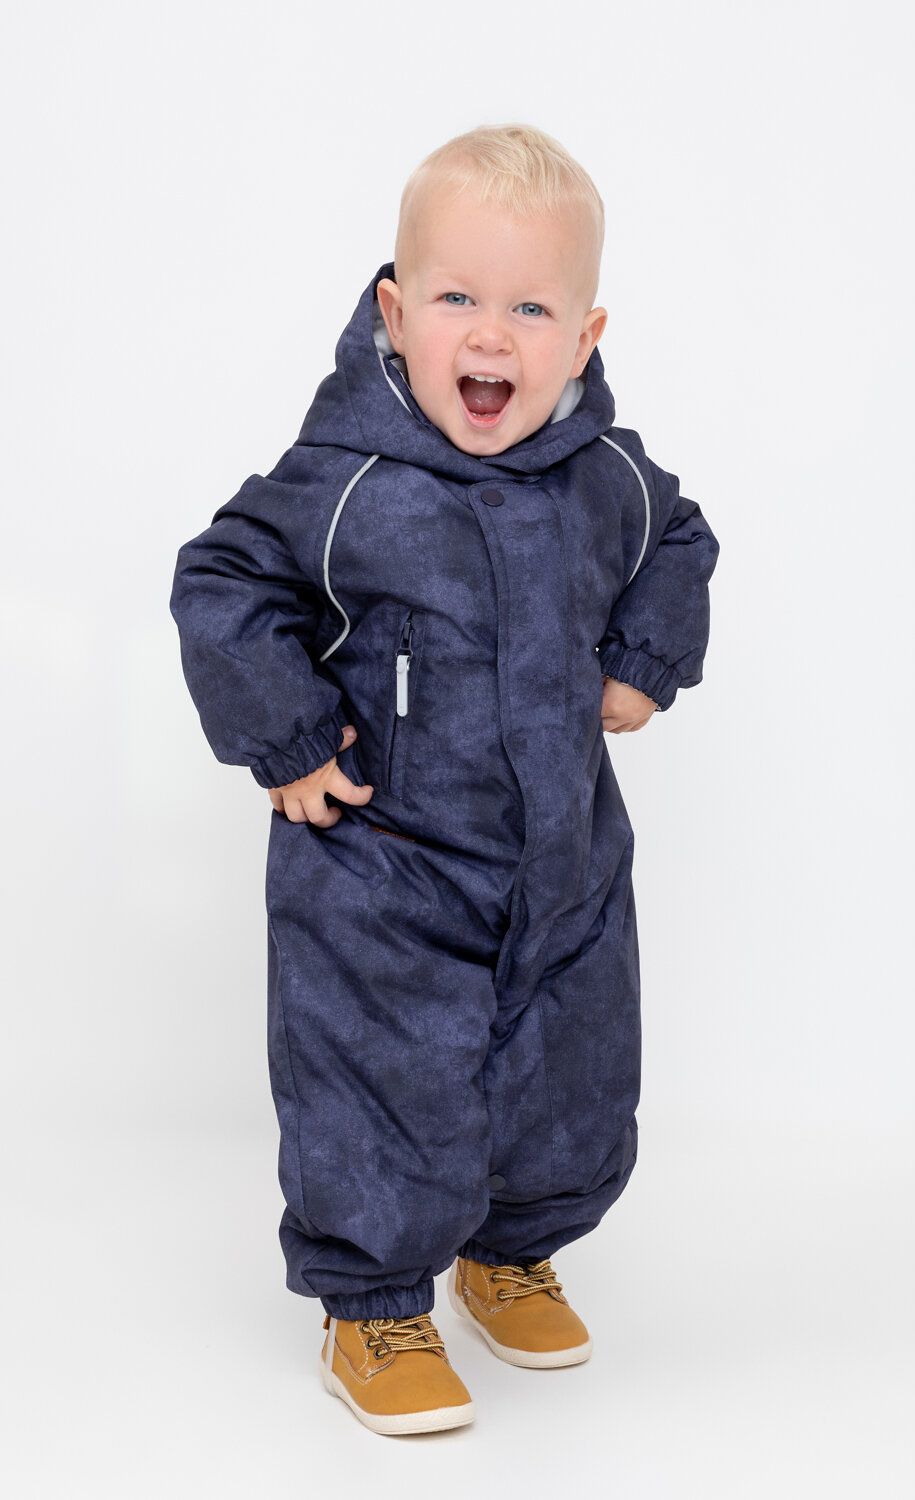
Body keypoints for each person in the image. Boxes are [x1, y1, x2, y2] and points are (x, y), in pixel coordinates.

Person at [169, 122, 720, 1437]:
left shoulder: (605, 478)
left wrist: (645, 657)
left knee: (567, 1073)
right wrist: (288, 736)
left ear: (583, 338)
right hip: (382, 872)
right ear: (394, 312)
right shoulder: (345, 481)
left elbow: (680, 539)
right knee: (384, 1081)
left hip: (563, 859)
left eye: (530, 309)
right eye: (458, 298)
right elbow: (222, 580)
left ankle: (510, 1251)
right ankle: (371, 1306)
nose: (490, 337)